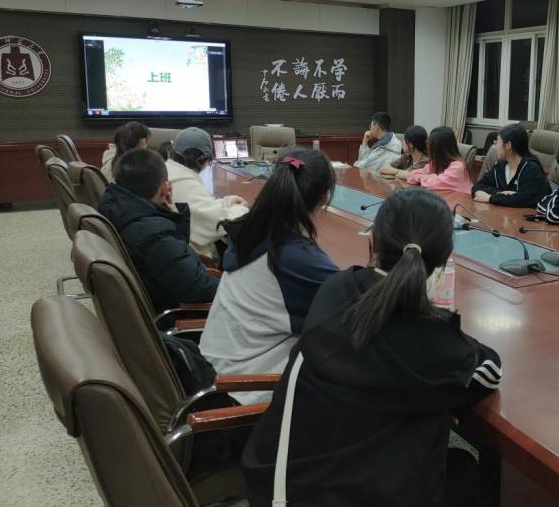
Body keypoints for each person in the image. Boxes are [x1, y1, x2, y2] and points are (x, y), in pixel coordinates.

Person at [241, 188, 501, 507]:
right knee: (466, 470)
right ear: (446, 258)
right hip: (345, 489)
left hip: (275, 487)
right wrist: (442, 325)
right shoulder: (433, 342)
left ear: (372, 243)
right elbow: (489, 369)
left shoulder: (336, 288)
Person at [200, 147, 339, 405]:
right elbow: (357, 307)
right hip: (244, 392)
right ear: (324, 197)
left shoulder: (252, 228)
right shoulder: (293, 257)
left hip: (215, 367)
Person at [97, 148, 219, 312]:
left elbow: (176, 256)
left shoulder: (116, 207)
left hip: (164, 292)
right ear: (164, 188)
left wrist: (173, 213)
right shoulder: (156, 234)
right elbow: (198, 287)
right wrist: (234, 288)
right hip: (180, 315)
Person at [166, 127, 249, 260]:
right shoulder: (187, 184)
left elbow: (201, 210)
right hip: (197, 262)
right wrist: (241, 209)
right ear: (204, 161)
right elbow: (219, 223)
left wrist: (227, 202)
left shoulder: (169, 171)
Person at [471, 123, 551, 207]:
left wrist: (490, 198)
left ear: (508, 145)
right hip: (504, 213)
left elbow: (524, 199)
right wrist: (501, 194)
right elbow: (477, 186)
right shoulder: (500, 166)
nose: (495, 144)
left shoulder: (531, 168)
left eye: (497, 141)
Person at [407, 126, 472, 194]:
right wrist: (424, 177)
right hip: (446, 198)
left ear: (436, 148)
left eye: (429, 145)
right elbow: (411, 176)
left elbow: (431, 185)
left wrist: (431, 177)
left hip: (460, 200)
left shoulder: (458, 167)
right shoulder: (437, 163)